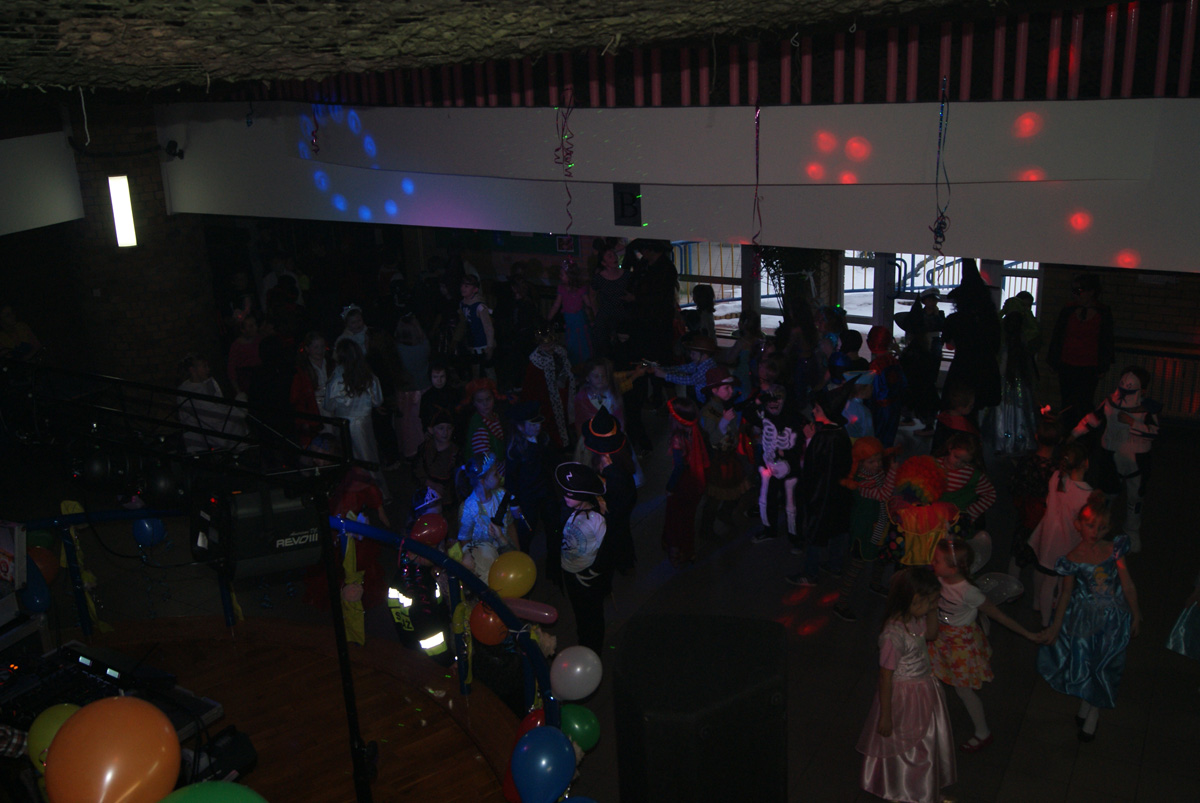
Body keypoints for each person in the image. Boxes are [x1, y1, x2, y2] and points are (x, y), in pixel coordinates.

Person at [1038, 497, 1141, 742]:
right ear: (1078, 525)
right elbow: (1065, 593)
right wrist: (1056, 625)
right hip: (1084, 618)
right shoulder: (1073, 557)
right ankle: (1088, 701)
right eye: (1091, 525)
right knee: (1086, 662)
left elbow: (1126, 583)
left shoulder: (1114, 549)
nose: (1095, 532)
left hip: (1113, 618)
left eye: (1102, 528)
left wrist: (1136, 613)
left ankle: (1093, 711)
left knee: (1104, 664)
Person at [928, 537, 1041, 753]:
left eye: (937, 560)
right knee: (934, 679)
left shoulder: (969, 592)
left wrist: (1028, 634)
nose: (932, 562)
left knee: (963, 690)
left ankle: (983, 732)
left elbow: (999, 616)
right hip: (941, 638)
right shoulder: (940, 578)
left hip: (960, 645)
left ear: (954, 568)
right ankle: (934, 719)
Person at [857, 566, 955, 803]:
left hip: (923, 690)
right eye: (931, 601)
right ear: (914, 599)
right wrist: (885, 716)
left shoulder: (916, 619)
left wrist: (932, 611)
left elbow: (931, 634)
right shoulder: (893, 635)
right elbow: (885, 677)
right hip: (903, 697)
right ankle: (903, 790)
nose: (934, 605)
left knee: (924, 742)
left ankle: (923, 789)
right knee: (906, 745)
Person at [1070, 366, 1160, 553]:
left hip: (1137, 460)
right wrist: (1073, 434)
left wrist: (1133, 423)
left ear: (1142, 391)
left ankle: (1131, 531)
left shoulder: (1146, 411)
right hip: (1111, 456)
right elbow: (1092, 420)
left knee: (1135, 499)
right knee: (1107, 496)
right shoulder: (1109, 403)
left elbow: (1154, 433)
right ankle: (1100, 529)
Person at [787, 385, 855, 586]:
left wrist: (810, 440)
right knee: (838, 529)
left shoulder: (824, 438)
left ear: (827, 412)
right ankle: (835, 565)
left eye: (817, 409)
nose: (813, 411)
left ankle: (810, 573)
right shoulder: (840, 433)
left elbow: (813, 467)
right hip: (839, 494)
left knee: (815, 531)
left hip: (822, 495)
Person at [833, 436, 899, 621]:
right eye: (871, 462)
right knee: (857, 564)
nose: (877, 465)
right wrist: (893, 472)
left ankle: (875, 584)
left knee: (881, 556)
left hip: (880, 524)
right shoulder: (859, 482)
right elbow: (884, 494)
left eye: (878, 460)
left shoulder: (876, 473)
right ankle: (841, 603)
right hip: (864, 529)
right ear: (859, 463)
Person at [1027, 442, 1092, 626]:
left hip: (1048, 536)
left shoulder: (1057, 477)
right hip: (1066, 543)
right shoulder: (1087, 494)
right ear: (1086, 463)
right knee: (1063, 583)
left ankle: (1043, 615)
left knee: (1046, 576)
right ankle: (1055, 619)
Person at [1047, 273, 1115, 432]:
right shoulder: (1068, 310)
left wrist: (1103, 366)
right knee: (1067, 400)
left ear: (1091, 292)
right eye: (1074, 291)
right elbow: (1058, 335)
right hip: (1067, 363)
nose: (1075, 295)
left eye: (1079, 291)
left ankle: (1083, 434)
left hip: (1089, 365)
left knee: (1085, 402)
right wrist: (1054, 360)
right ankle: (1068, 432)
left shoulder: (1102, 312)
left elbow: (1106, 340)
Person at [557, 462, 610, 653]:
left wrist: (591, 575)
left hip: (586, 578)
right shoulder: (567, 511)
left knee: (592, 616)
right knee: (579, 613)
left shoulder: (597, 521)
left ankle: (593, 649)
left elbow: (605, 552)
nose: (565, 495)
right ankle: (584, 642)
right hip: (569, 572)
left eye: (570, 493)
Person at [325, 338, 388, 499]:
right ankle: (378, 495)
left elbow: (329, 405)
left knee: (349, 461)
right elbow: (377, 401)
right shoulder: (368, 376)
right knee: (368, 458)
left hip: (344, 424)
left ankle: (358, 497)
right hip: (363, 424)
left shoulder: (336, 378)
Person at [505, 401, 560, 579]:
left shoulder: (544, 440)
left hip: (547, 493)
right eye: (533, 424)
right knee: (526, 534)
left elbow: (555, 462)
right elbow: (511, 479)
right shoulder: (516, 450)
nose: (538, 427)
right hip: (527, 497)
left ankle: (554, 566)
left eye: (539, 423)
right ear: (520, 427)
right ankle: (524, 569)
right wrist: (514, 503)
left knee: (554, 528)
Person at [582, 406, 638, 574]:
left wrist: (601, 500)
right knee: (621, 530)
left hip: (616, 501)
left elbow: (611, 492)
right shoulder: (620, 449)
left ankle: (624, 563)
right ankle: (625, 561)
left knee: (617, 532)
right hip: (626, 496)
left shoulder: (610, 466)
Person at [941, 259, 1001, 415]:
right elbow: (996, 346)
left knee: (958, 408)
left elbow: (949, 344)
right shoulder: (991, 319)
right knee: (980, 411)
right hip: (986, 371)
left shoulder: (955, 320)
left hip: (963, 369)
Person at [698, 367, 749, 542]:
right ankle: (706, 530)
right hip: (717, 459)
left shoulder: (726, 404)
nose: (730, 391)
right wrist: (724, 422)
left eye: (731, 387)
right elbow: (712, 438)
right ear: (714, 390)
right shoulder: (709, 411)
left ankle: (725, 513)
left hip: (730, 456)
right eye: (726, 388)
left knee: (737, 489)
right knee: (714, 497)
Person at [751, 384, 805, 546]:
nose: (773, 402)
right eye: (770, 398)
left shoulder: (795, 418)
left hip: (790, 468)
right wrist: (759, 401)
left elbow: (802, 443)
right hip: (768, 465)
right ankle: (769, 530)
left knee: (792, 504)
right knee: (766, 499)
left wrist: (787, 454)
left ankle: (795, 537)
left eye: (778, 398)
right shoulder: (762, 415)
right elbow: (749, 415)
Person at [987, 296, 1039, 455]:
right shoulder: (1025, 334)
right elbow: (1035, 330)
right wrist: (1025, 312)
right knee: (1021, 411)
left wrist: (1004, 311)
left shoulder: (1002, 333)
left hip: (1004, 381)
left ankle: (1001, 441)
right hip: (1021, 382)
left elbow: (993, 324)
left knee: (1002, 411)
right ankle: (1021, 440)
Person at [455, 453, 515, 583]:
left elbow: (510, 525)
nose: (500, 476)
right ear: (482, 481)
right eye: (495, 474)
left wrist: (517, 552)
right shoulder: (468, 508)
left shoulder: (502, 495)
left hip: (506, 554)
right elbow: (465, 542)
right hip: (486, 564)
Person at [662, 397, 706, 567]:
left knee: (676, 519)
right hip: (694, 481)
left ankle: (676, 553)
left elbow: (679, 466)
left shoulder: (677, 438)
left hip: (683, 483)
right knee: (688, 519)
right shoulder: (696, 430)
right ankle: (689, 551)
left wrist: (669, 487)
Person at [896, 287, 945, 434]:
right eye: (930, 299)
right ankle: (909, 416)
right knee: (913, 386)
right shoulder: (918, 316)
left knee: (925, 385)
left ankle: (926, 422)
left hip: (930, 351)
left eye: (934, 300)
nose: (932, 303)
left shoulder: (938, 315)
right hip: (921, 352)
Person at [177, 354, 247, 453]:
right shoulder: (187, 391)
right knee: (235, 422)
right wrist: (238, 405)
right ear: (193, 370)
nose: (208, 369)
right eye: (204, 366)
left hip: (215, 422)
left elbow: (219, 403)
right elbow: (213, 414)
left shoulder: (210, 382)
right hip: (206, 431)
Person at [522, 323, 576, 449]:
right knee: (551, 422)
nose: (548, 347)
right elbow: (531, 387)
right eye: (544, 345)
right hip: (547, 399)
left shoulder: (560, 353)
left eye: (550, 344)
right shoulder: (536, 362)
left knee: (566, 418)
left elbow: (567, 371)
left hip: (563, 394)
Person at [590, 239, 632, 359]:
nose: (614, 257)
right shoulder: (599, 278)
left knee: (623, 351)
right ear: (604, 263)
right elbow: (592, 296)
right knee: (605, 351)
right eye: (609, 256)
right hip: (606, 318)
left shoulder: (627, 275)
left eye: (614, 254)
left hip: (623, 317)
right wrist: (596, 313)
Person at [546, 260, 594, 366]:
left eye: (562, 274)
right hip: (569, 320)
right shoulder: (561, 288)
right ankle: (574, 365)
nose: (560, 276)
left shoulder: (581, 288)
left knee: (582, 342)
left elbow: (588, 304)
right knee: (571, 342)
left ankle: (585, 365)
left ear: (570, 275)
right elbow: (556, 305)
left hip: (579, 319)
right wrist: (548, 318)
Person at [866, 325, 907, 447]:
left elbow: (874, 391)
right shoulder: (894, 361)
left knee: (878, 437)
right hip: (894, 405)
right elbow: (903, 384)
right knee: (889, 435)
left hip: (880, 408)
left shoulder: (875, 365)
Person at [459, 274, 496, 380]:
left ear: (475, 289)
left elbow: (488, 327)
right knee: (475, 370)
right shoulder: (462, 304)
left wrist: (490, 346)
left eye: (467, 286)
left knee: (488, 370)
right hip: (472, 342)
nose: (463, 288)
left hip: (483, 344)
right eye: (462, 285)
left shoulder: (479, 307)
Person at [462, 377, 507, 463]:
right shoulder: (479, 426)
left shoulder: (496, 416)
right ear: (474, 402)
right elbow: (485, 463)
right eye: (480, 401)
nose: (485, 404)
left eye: (488, 399)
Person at [226, 311, 262, 395]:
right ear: (242, 330)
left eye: (255, 324)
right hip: (247, 383)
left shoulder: (260, 340)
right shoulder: (236, 346)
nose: (255, 328)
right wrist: (238, 392)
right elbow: (231, 370)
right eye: (250, 326)